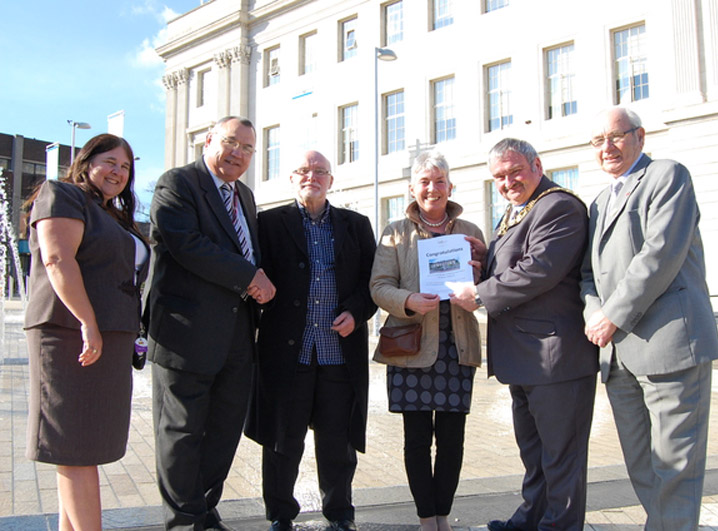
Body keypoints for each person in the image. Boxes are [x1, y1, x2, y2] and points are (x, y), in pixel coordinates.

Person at [580, 107, 718, 530]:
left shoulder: (667, 176)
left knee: (676, 469)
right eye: (598, 141)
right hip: (619, 356)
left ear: (640, 136)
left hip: (670, 347)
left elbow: (658, 255)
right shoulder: (600, 202)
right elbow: (588, 274)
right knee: (643, 466)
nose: (607, 147)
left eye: (616, 136)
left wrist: (612, 315)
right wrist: (595, 314)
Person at [450, 138, 598, 530]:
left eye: (515, 171)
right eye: (499, 176)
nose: (507, 181)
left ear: (537, 165)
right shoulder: (519, 210)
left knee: (561, 458)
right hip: (527, 357)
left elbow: (539, 270)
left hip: (556, 359)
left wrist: (479, 295)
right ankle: (531, 518)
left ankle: (558, 525)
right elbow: (515, 266)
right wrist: (486, 258)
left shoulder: (559, 205)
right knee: (534, 454)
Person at [147, 116, 275, 530]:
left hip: (237, 335)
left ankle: (203, 509)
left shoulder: (246, 197)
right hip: (186, 333)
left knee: (224, 430)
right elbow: (187, 244)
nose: (239, 153)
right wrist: (248, 276)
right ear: (208, 141)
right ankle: (184, 521)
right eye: (231, 142)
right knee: (182, 432)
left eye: (248, 148)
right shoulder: (178, 184)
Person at [244, 150, 376, 531]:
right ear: (291, 179)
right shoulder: (267, 224)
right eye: (303, 170)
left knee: (338, 441)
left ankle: (340, 513)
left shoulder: (355, 224)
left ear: (331, 181)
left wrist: (356, 311)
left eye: (320, 171)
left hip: (339, 352)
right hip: (289, 352)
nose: (311, 177)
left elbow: (372, 281)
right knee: (283, 440)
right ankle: (281, 514)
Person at [24, 133, 149, 531]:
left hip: (109, 338)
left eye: (126, 167)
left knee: (85, 447)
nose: (118, 172)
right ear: (87, 161)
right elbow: (58, 258)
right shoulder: (61, 193)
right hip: (70, 334)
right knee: (75, 448)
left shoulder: (111, 214)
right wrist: (88, 323)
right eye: (110, 161)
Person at [369, 151, 485, 531]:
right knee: (416, 441)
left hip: (457, 346)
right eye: (424, 182)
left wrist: (479, 278)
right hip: (412, 346)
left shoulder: (470, 230)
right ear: (412, 189)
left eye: (439, 181)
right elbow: (378, 286)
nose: (432, 189)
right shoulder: (394, 231)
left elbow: (488, 284)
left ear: (450, 187)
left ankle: (444, 516)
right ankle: (425, 519)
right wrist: (407, 300)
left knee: (452, 442)